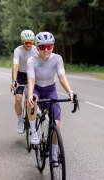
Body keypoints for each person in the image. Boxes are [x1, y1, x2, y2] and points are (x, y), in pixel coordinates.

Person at [26, 31, 74, 164]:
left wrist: (70, 92)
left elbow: (62, 77)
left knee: (56, 124)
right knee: (32, 101)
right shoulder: (32, 60)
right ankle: (34, 132)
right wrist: (30, 95)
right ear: (37, 47)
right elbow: (31, 79)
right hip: (35, 88)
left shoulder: (57, 58)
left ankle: (54, 154)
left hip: (50, 89)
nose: (46, 50)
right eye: (42, 47)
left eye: (49, 46)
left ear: (53, 46)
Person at [11, 29, 38, 134]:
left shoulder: (36, 50)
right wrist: (14, 80)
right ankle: (19, 120)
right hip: (20, 74)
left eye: (30, 42)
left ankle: (33, 118)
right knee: (18, 99)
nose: (28, 44)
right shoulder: (18, 50)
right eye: (26, 42)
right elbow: (15, 65)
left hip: (31, 74)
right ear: (22, 42)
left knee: (32, 98)